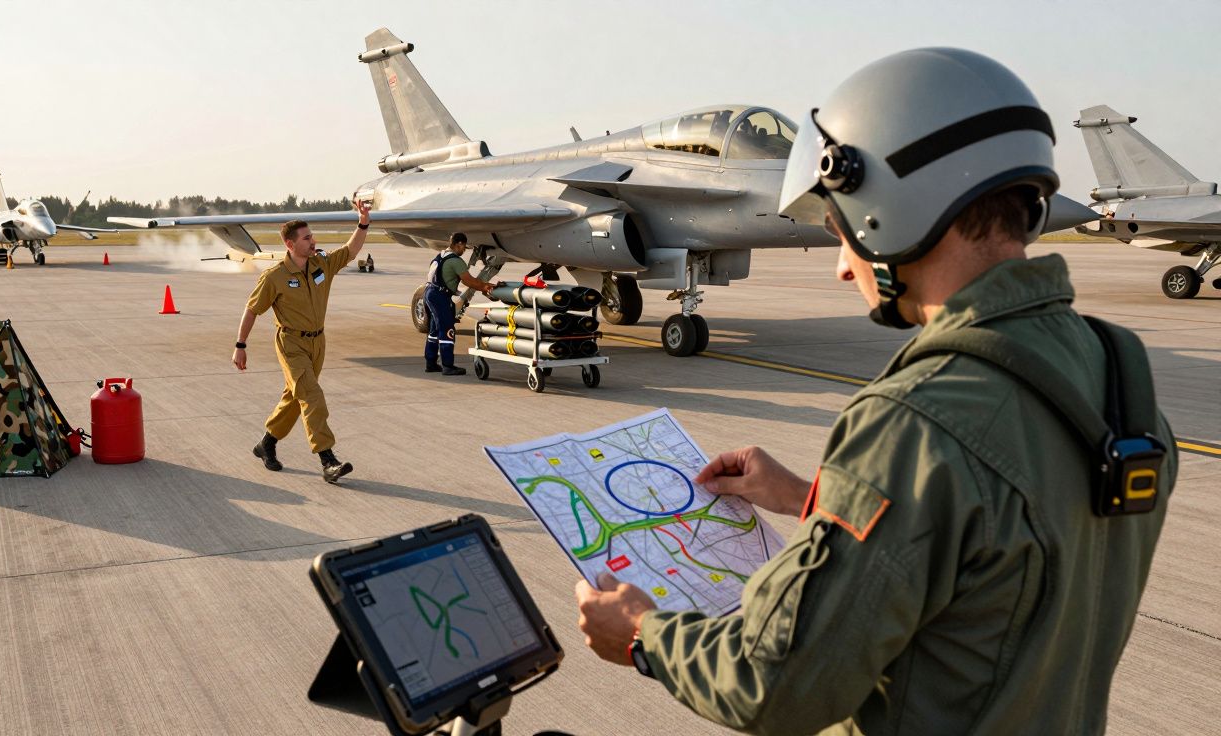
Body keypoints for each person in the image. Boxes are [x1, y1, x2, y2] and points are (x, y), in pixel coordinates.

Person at [574, 48, 1176, 734]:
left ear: (894, 205)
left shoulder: (917, 420)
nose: (840, 266)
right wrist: (814, 501)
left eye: (842, 229)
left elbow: (776, 685)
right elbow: (1002, 544)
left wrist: (644, 635)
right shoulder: (1116, 374)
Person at [232, 205, 371, 483]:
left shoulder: (321, 264)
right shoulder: (274, 277)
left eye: (312, 236)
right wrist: (241, 345)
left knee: (296, 398)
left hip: (318, 342)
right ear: (289, 243)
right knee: (312, 396)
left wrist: (363, 224)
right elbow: (252, 310)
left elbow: (351, 251)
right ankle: (328, 460)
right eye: (306, 238)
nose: (313, 241)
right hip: (291, 343)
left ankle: (266, 444)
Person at [424, 232, 499, 375]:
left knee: (434, 330)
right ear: (459, 244)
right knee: (447, 329)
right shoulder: (455, 261)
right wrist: (485, 287)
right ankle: (448, 366)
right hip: (440, 296)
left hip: (430, 293)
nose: (464, 250)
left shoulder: (439, 256)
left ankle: (431, 363)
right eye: (464, 247)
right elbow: (468, 281)